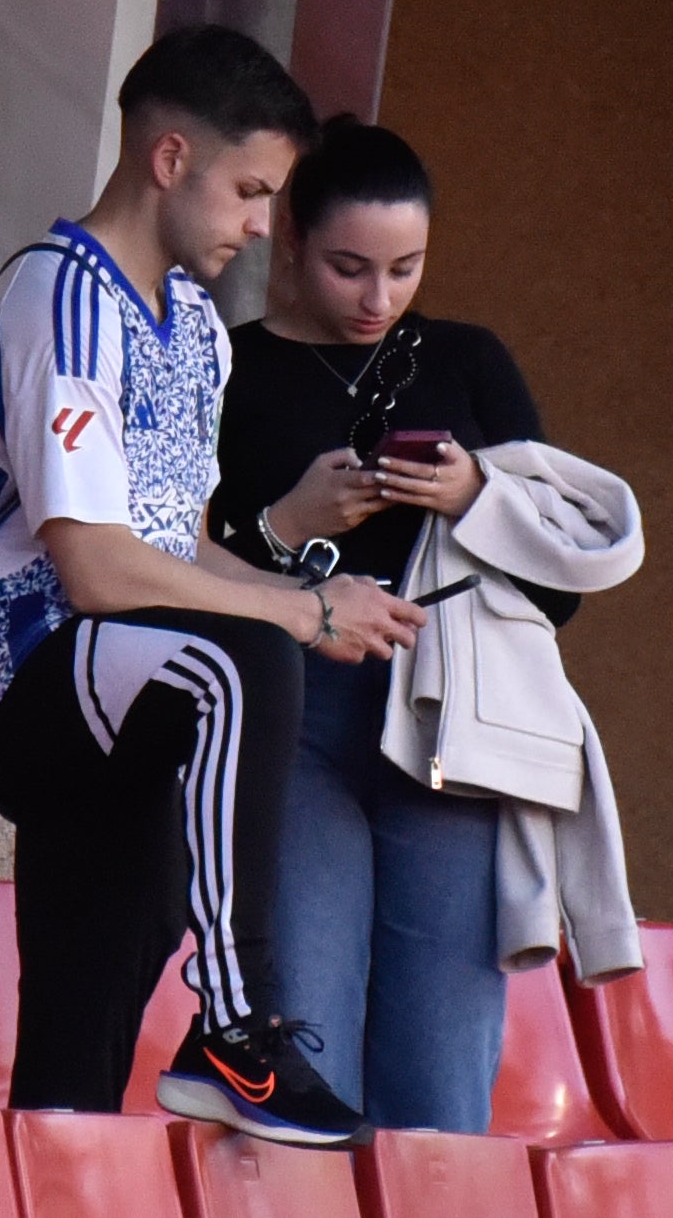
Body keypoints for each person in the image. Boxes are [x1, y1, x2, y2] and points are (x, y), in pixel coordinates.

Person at [0, 27, 425, 1147]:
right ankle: (236, 1033)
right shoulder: (60, 297)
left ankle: (55, 1161)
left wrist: (315, 598)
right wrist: (287, 615)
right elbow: (94, 567)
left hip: (132, 675)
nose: (260, 226)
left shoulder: (196, 325)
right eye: (249, 191)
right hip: (15, 664)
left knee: (82, 1032)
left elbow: (181, 545)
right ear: (167, 159)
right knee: (238, 657)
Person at [210, 118, 579, 1132]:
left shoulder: (465, 361)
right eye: (347, 268)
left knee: (443, 1067)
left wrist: (474, 497)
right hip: (293, 716)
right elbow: (158, 558)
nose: (377, 299)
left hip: (445, 720)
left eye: (404, 269)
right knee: (304, 1047)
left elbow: (559, 592)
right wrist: (286, 523)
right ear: (287, 241)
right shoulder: (227, 369)